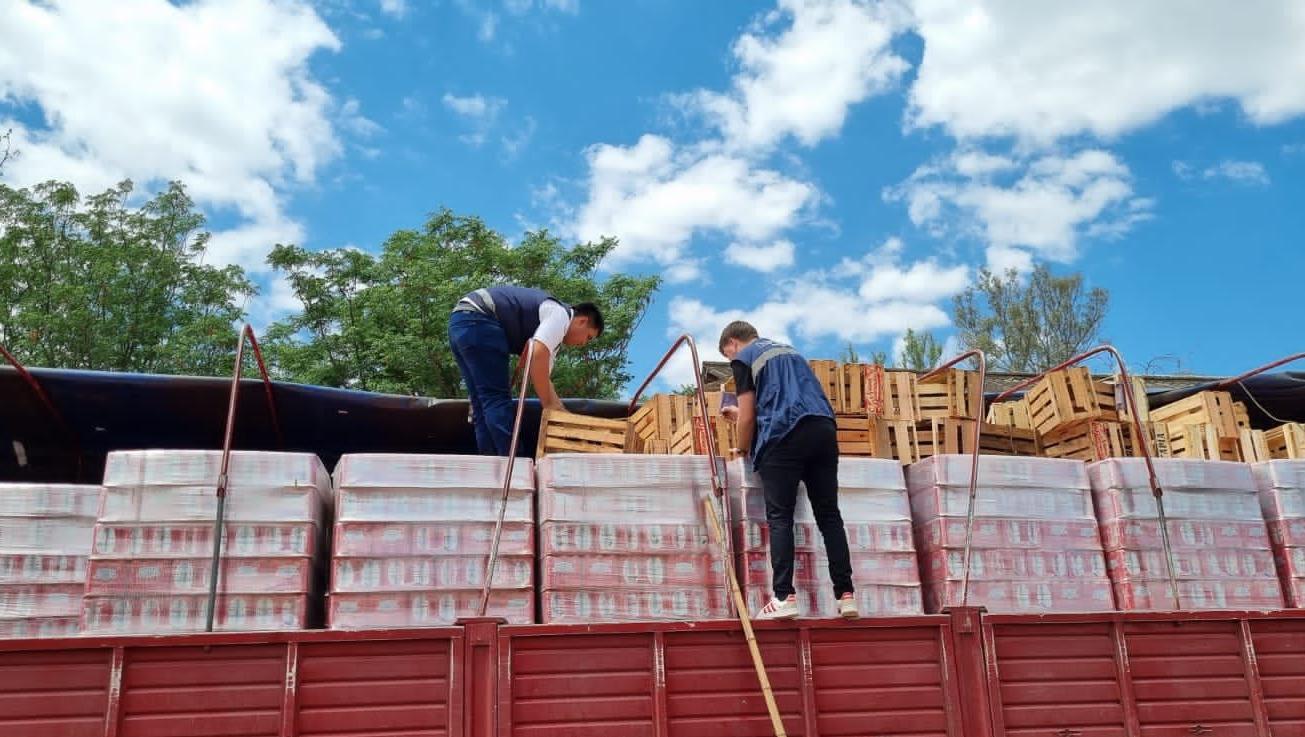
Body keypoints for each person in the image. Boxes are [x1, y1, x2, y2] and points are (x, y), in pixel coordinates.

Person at [718, 320, 857, 620]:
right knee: (829, 515)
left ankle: (784, 597)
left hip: (783, 435)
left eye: (727, 355)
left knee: (780, 516)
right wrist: (739, 414)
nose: (730, 360)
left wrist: (741, 447)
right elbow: (788, 396)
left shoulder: (744, 358)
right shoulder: (789, 351)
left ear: (732, 343)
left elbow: (749, 417)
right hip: (822, 428)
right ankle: (846, 595)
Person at [448, 286, 603, 456]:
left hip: (460, 322)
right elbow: (538, 354)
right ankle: (515, 465)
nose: (583, 344)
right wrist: (551, 406)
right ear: (582, 321)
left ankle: (490, 465)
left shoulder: (553, 334)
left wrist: (558, 408)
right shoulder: (560, 315)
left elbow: (542, 376)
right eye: (588, 337)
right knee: (496, 400)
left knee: (481, 403)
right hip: (480, 320)